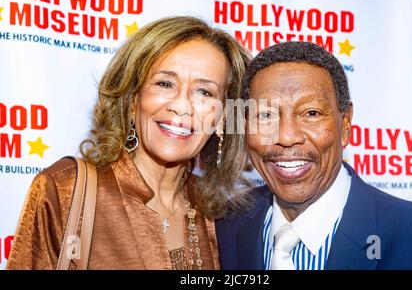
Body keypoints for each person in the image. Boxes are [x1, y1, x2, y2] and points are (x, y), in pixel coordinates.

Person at [7, 16, 251, 270]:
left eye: (204, 92)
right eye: (165, 84)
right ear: (132, 99)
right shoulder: (64, 189)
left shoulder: (223, 218)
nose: (181, 106)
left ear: (223, 117)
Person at [216, 41, 412, 270]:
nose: (286, 137)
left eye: (311, 113)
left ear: (345, 124)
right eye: (265, 115)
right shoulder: (223, 225)